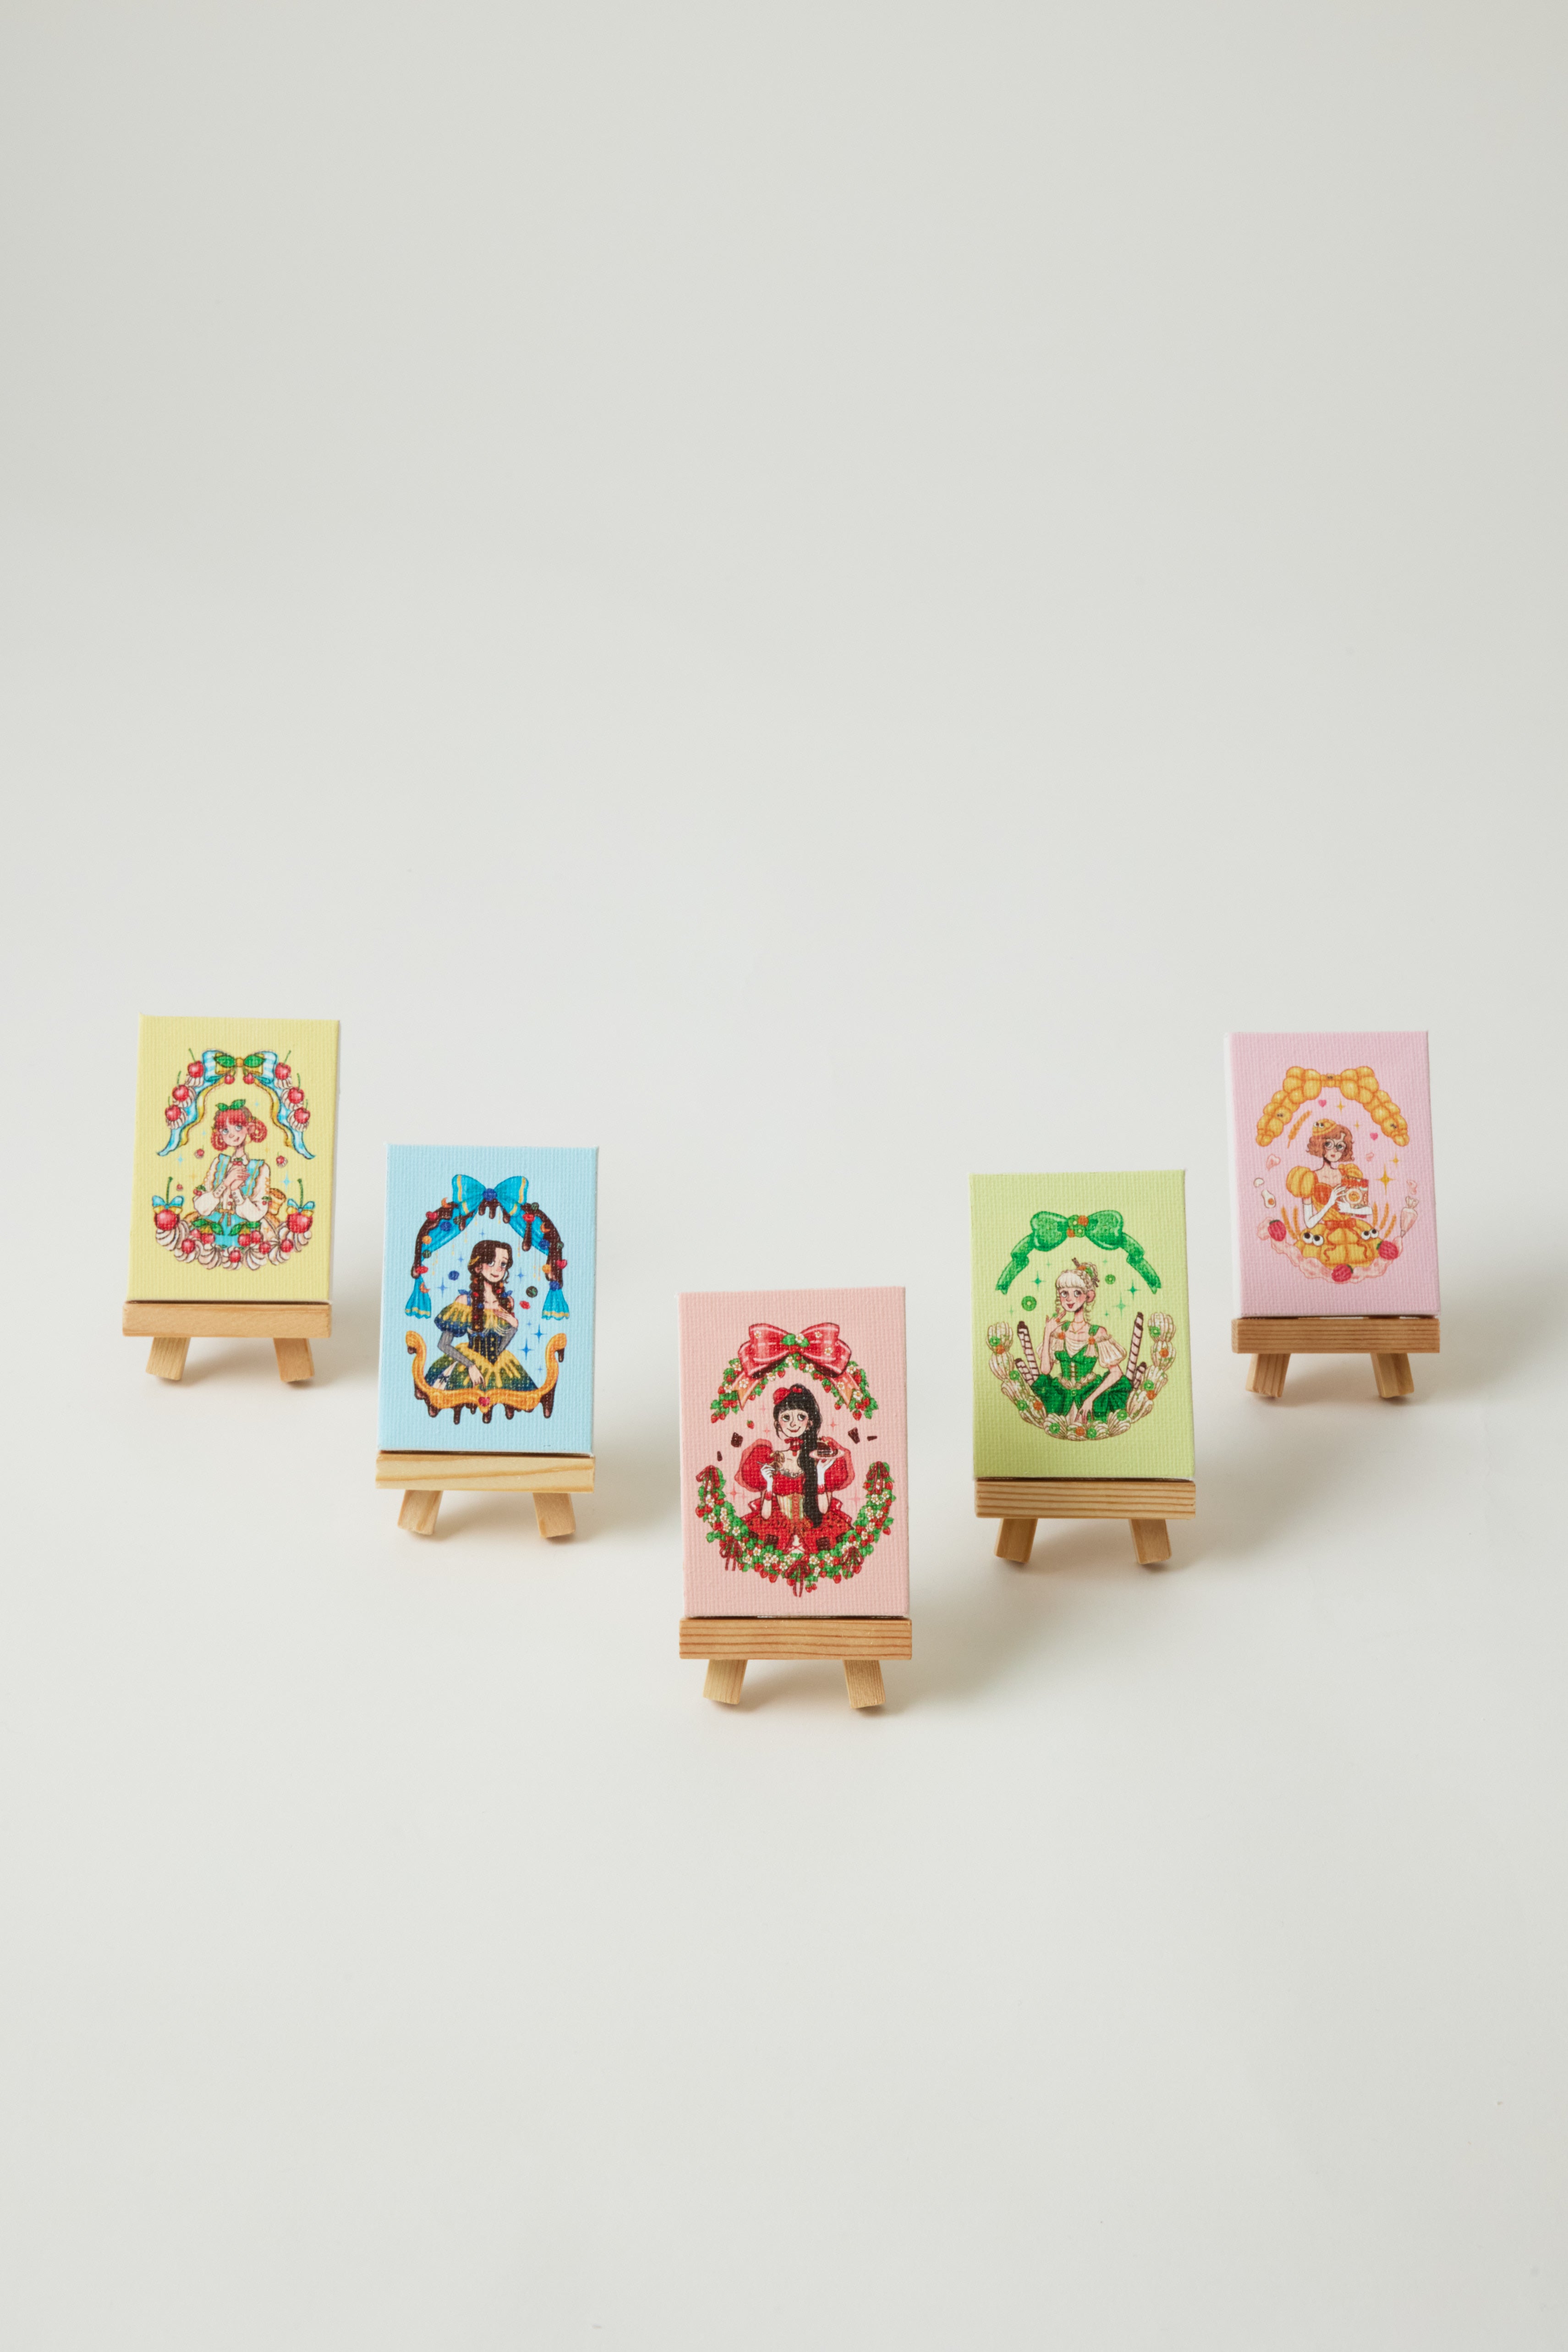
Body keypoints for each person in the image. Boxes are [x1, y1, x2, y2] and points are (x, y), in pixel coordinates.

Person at [738, 1384, 854, 1558]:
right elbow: (765, 1515)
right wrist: (769, 1484)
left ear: (810, 1423)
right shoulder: (772, 1458)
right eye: (786, 1418)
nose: (793, 1424)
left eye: (801, 1417)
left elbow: (823, 1510)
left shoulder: (818, 1457)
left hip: (814, 1526)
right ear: (778, 1424)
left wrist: (821, 1474)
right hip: (777, 1526)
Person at [425, 1239, 537, 1394]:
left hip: (500, 1366)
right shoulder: (464, 1302)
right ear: (478, 1267)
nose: (498, 1269)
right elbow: (443, 1345)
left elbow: (499, 1350)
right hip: (468, 1363)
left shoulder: (508, 1302)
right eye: (491, 1262)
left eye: (503, 1264)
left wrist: (514, 1327)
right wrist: (470, 1366)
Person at [1031, 1259, 1133, 1427]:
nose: (1070, 1299)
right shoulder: (1059, 1331)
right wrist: (1048, 1332)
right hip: (1061, 1397)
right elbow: (1046, 1370)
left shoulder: (1097, 1333)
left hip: (1089, 1394)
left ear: (1089, 1296)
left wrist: (1091, 1399)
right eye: (1064, 1293)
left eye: (1077, 1293)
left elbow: (1116, 1373)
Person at [1285, 1119, 1381, 1270]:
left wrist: (1348, 1209)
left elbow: (1368, 1210)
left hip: (1353, 1230)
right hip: (1325, 1234)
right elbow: (1309, 1223)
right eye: (1329, 1144)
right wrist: (1330, 1203)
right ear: (1320, 1145)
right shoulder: (1308, 1179)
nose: (1334, 1151)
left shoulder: (1348, 1174)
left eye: (1340, 1146)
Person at [191, 1099, 283, 1246]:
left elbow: (257, 1214)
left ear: (249, 1128)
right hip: (211, 1230)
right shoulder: (219, 1162)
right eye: (225, 1130)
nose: (232, 1135)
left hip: (245, 1234)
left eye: (238, 1127)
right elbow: (201, 1206)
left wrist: (235, 1190)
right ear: (219, 1135)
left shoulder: (261, 1168)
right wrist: (226, 1182)